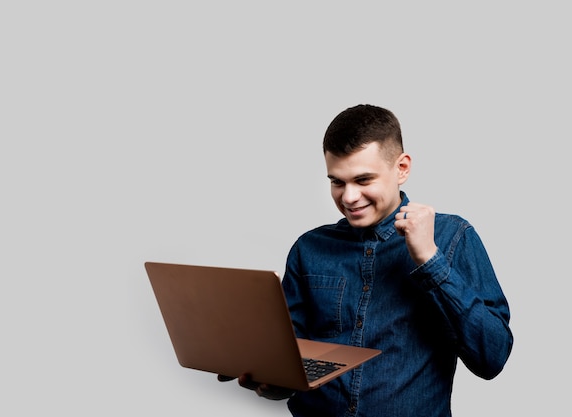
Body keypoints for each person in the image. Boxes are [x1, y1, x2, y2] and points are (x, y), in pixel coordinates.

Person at [218, 104, 513, 416]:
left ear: (402, 168)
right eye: (337, 182)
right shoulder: (309, 248)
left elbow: (491, 358)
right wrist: (273, 380)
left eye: (363, 180)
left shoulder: (453, 236)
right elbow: (294, 359)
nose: (348, 197)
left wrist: (430, 259)